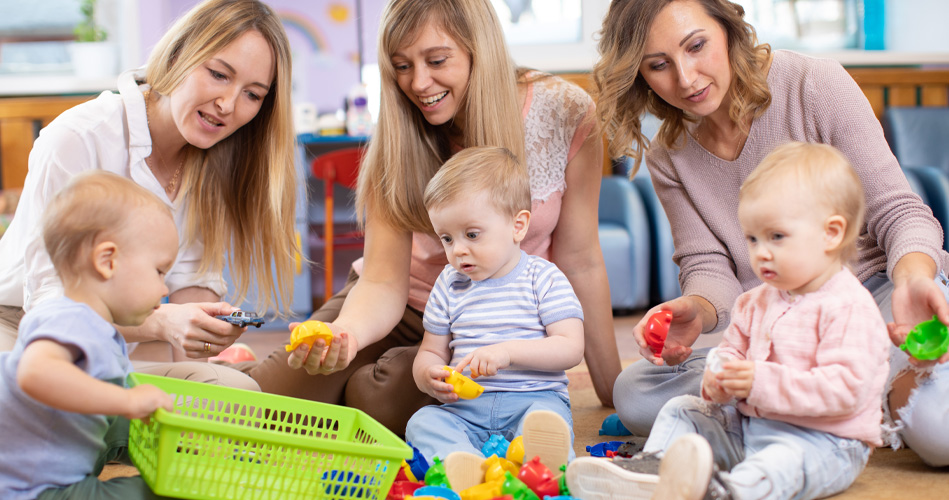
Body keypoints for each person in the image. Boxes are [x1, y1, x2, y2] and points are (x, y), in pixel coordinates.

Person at [593, 0, 949, 466]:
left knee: (940, 430)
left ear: (727, 30)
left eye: (696, 46)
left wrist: (914, 280)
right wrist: (695, 310)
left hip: (871, 301)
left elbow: (898, 211)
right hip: (778, 328)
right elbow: (708, 267)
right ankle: (835, 399)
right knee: (636, 393)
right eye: (659, 66)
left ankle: (802, 407)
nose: (685, 78)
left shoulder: (813, 84)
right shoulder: (670, 155)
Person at [241, 0, 621, 433]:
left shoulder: (566, 111)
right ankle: (278, 374)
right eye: (402, 66)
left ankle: (371, 385)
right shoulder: (402, 128)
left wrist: (611, 388)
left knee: (382, 402)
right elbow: (383, 281)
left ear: (479, 48)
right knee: (263, 407)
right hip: (394, 304)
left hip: (492, 322)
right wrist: (344, 335)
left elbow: (581, 257)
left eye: (437, 60)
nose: (418, 84)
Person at [0, 0, 298, 390]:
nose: (229, 105)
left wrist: (201, 345)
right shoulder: (79, 137)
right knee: (41, 407)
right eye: (219, 75)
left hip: (120, 339)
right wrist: (162, 322)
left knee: (236, 393)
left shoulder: (214, 160)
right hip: (25, 328)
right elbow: (50, 306)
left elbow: (194, 278)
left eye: (253, 95)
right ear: (177, 55)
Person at [567, 142, 891, 500]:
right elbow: (729, 356)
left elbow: (844, 391)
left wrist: (758, 381)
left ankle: (728, 491)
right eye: (752, 238)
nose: (760, 252)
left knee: (778, 464)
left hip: (824, 443)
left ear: (831, 233)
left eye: (777, 237)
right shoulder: (753, 302)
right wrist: (719, 381)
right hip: (751, 428)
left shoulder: (848, 307)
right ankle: (655, 470)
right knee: (682, 408)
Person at [405, 146, 582, 478]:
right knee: (423, 421)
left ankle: (537, 465)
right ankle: (468, 464)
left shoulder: (544, 278)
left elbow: (571, 347)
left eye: (472, 234)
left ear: (518, 226)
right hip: (465, 410)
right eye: (446, 238)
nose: (458, 250)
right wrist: (428, 376)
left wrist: (507, 353)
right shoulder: (449, 284)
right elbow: (431, 349)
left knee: (546, 424)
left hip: (532, 401)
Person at [0, 171, 177, 499]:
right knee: (155, 492)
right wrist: (128, 401)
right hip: (33, 490)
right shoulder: (69, 318)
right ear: (107, 261)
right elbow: (35, 372)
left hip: (54, 469)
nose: (164, 288)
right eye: (159, 271)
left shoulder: (95, 327)